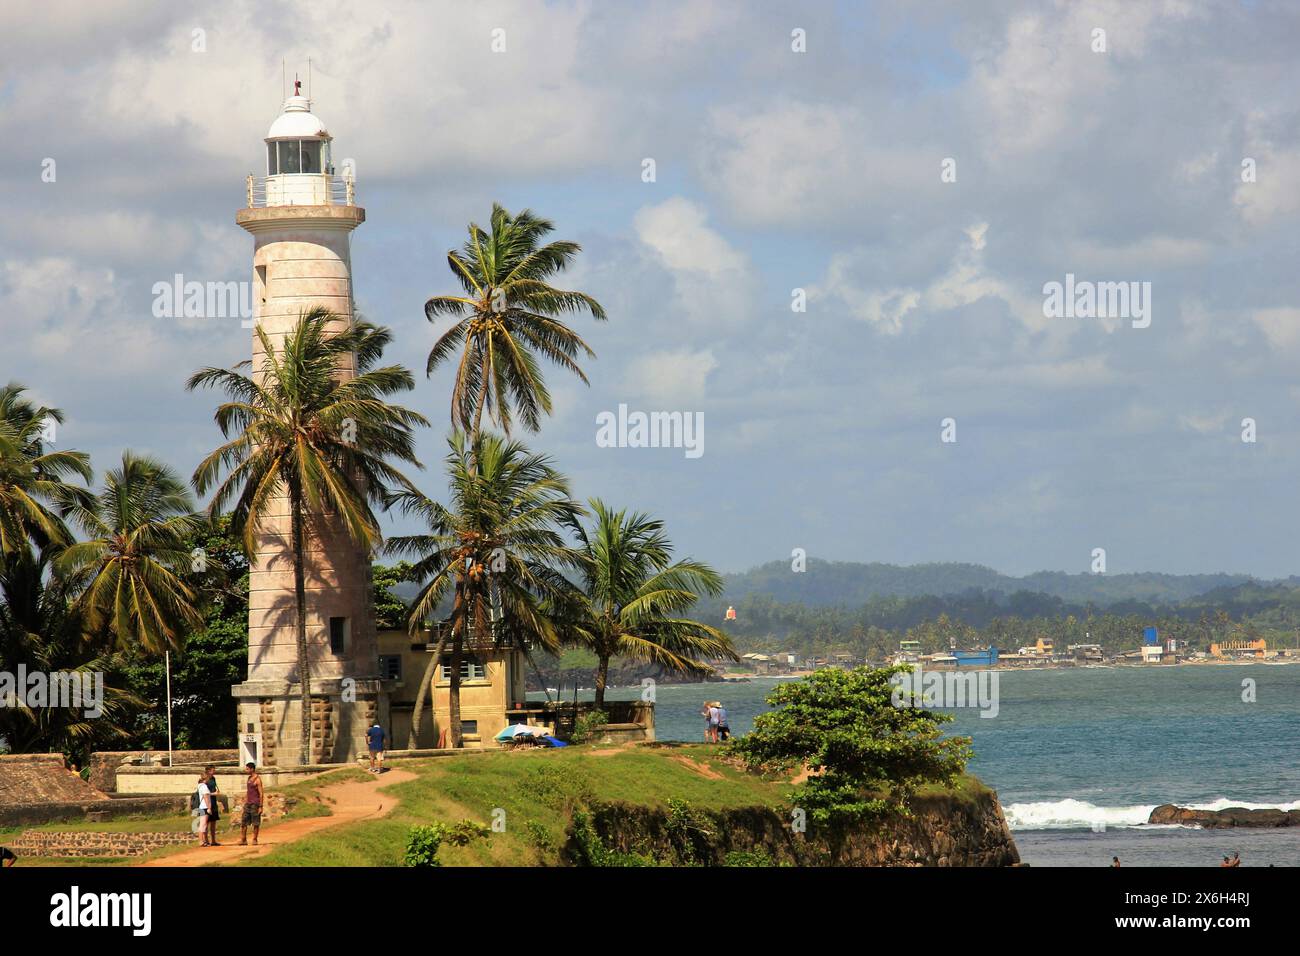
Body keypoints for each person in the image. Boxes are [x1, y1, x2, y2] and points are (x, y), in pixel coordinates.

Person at [239, 762, 264, 846]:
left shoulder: (257, 779)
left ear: (252, 769)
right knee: (243, 822)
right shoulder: (249, 778)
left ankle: (255, 839)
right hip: (248, 803)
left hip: (255, 804)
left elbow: (261, 793)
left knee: (255, 823)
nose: (246, 770)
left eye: (247, 769)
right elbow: (248, 791)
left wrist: (261, 806)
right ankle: (243, 839)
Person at [204, 765, 221, 846]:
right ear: (208, 771)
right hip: (207, 802)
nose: (214, 771)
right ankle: (206, 840)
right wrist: (212, 794)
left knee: (213, 822)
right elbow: (203, 793)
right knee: (206, 822)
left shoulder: (213, 778)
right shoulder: (205, 780)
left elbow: (215, 788)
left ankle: (213, 840)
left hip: (213, 802)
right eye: (213, 770)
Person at [195, 771, 212, 846]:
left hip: (201, 807)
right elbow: (206, 797)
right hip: (204, 807)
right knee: (203, 824)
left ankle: (203, 840)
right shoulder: (204, 787)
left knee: (203, 824)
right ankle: (201, 840)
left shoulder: (200, 786)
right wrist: (209, 807)